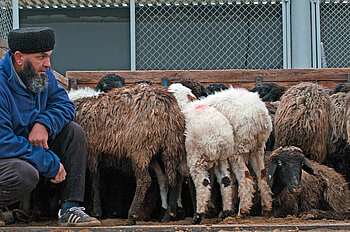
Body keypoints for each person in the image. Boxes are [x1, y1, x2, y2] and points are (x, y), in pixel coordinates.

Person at [0, 27, 100, 227]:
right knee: (23, 174)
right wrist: (48, 161)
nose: (48, 64)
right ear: (19, 57)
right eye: (41, 57)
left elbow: (65, 106)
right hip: (7, 156)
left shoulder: (43, 74)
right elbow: (3, 142)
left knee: (73, 132)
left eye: (49, 57)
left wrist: (44, 124)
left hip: (27, 149)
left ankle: (71, 208)